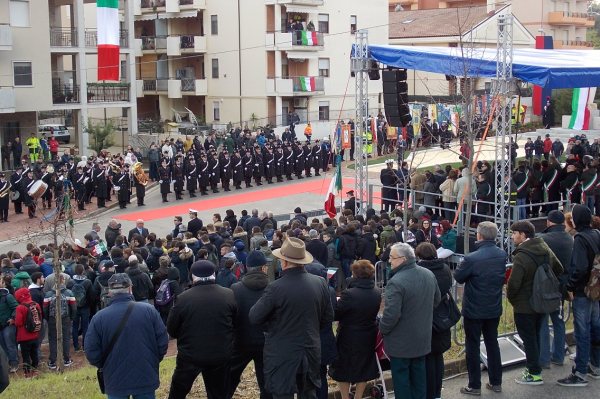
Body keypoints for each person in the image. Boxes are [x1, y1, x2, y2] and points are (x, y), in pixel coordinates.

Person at [249, 237, 334, 399]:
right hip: (310, 351)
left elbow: (254, 316)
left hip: (282, 355)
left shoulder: (275, 287)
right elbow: (327, 317)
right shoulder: (320, 282)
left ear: (285, 262)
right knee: (308, 393)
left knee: (282, 394)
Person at [85, 273, 169, 399]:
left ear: (110, 292)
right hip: (145, 375)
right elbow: (162, 341)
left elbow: (91, 351)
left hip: (115, 378)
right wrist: (152, 360)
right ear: (130, 288)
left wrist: (104, 365)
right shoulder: (149, 310)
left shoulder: (99, 318)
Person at [167, 260, 237, 399]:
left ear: (192, 276)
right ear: (214, 275)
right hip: (220, 354)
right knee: (218, 394)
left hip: (190, 355)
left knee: (178, 392)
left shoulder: (183, 298)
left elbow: (172, 329)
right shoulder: (228, 294)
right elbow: (234, 323)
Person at [379, 243, 441, 399]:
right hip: (422, 337)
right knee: (419, 378)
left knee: (402, 381)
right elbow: (436, 300)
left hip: (401, 342)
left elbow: (391, 315)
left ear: (403, 259)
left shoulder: (396, 282)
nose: (390, 261)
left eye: (392, 258)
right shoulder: (428, 274)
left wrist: (383, 328)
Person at [453, 221, 507, 395]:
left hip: (474, 309)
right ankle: (496, 382)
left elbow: (459, 277)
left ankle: (474, 385)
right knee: (492, 344)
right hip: (493, 306)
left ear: (479, 235)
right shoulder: (501, 254)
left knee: (472, 346)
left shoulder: (471, 258)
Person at [507, 220, 563, 385]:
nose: (512, 236)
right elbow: (559, 268)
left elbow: (514, 283)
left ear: (523, 235)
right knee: (536, 336)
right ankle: (535, 368)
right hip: (542, 301)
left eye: (514, 233)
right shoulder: (544, 248)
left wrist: (512, 299)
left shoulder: (522, 255)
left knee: (529, 339)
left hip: (524, 304)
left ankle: (534, 373)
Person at [558, 204, 600, 386]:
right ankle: (595, 365)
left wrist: (570, 285)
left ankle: (580, 372)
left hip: (582, 290)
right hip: (595, 289)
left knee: (582, 331)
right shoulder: (597, 234)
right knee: (596, 328)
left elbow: (580, 267)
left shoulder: (581, 239)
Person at [329, 260, 381, 399]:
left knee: (343, 367)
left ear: (355, 274)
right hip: (369, 333)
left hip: (349, 335)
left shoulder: (349, 294)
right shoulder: (376, 292)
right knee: (363, 366)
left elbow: (336, 313)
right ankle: (358, 396)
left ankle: (346, 397)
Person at [228, 251, 272, 399]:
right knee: (267, 384)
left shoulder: (235, 288)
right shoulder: (273, 288)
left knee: (229, 379)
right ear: (264, 268)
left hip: (241, 341)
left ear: (247, 267)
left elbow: (231, 317)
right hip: (266, 342)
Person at [415, 243, 453, 399]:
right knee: (438, 357)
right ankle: (437, 392)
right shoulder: (444, 268)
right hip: (443, 317)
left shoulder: (423, 272)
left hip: (428, 318)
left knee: (429, 358)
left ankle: (430, 393)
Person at [538, 210, 573, 369]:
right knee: (558, 320)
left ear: (548, 222)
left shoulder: (543, 239)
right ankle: (558, 355)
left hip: (545, 285)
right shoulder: (570, 239)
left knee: (543, 321)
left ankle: (543, 359)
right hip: (562, 285)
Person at [43, 275, 77, 369]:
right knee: (66, 338)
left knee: (52, 339)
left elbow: (45, 309)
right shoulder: (69, 293)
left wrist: (48, 318)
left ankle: (52, 361)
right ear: (63, 281)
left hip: (52, 319)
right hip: (66, 318)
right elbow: (74, 308)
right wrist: (71, 318)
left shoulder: (48, 294)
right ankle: (66, 359)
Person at [14, 287, 42, 377]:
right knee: (34, 354)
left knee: (25, 356)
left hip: (24, 337)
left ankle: (27, 373)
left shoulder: (20, 307)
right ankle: (35, 371)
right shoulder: (36, 305)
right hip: (35, 334)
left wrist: (13, 321)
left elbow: (18, 322)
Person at [0, 276, 18, 372]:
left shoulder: (8, 296)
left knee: (10, 345)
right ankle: (6, 365)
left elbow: (16, 308)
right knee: (2, 347)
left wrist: (12, 318)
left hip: (8, 325)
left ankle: (14, 364)